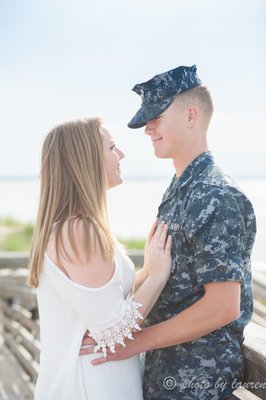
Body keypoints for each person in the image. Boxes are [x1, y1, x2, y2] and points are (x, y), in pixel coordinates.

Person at [81, 65, 257, 399]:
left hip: (198, 382)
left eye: (156, 117)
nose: (148, 129)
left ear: (191, 115)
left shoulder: (216, 194)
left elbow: (223, 307)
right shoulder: (182, 187)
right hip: (165, 374)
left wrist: (134, 343)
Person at [27, 117, 172, 400]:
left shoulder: (70, 226)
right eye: (112, 147)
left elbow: (108, 301)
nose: (121, 154)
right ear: (87, 160)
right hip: (91, 385)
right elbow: (114, 331)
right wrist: (157, 275)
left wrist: (146, 269)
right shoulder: (78, 230)